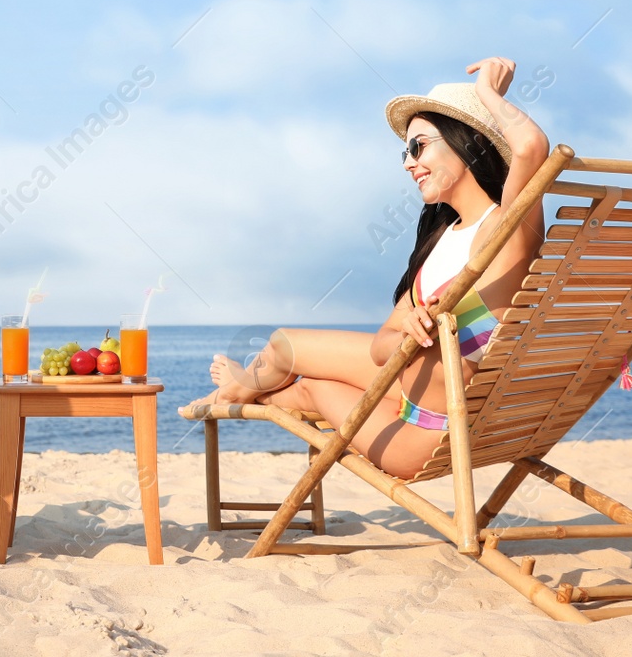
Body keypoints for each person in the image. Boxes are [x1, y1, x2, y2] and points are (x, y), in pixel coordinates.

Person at [182, 57, 549, 479]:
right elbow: (380, 348)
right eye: (405, 153)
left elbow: (532, 147)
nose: (409, 163)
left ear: (466, 141)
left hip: (421, 437)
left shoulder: (504, 231)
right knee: (296, 374)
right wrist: (408, 326)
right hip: (412, 391)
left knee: (300, 368)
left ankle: (232, 392)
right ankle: (250, 386)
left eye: (418, 146)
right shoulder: (442, 242)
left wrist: (488, 94)